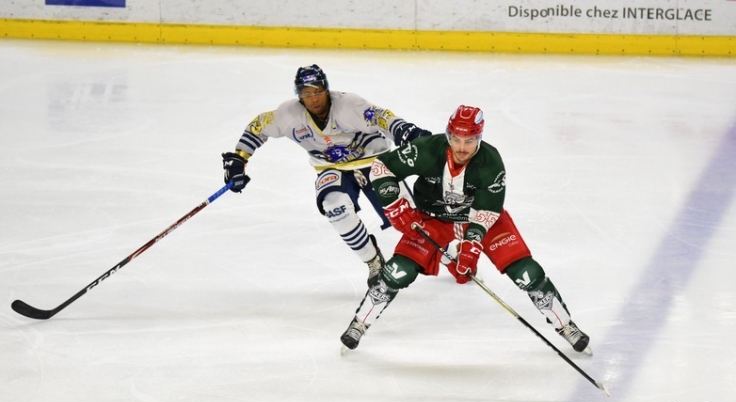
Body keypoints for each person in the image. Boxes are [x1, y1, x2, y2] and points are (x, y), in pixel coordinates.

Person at [340, 105, 591, 353]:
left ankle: (565, 325)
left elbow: (488, 210)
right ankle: (360, 323)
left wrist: (472, 244)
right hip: (434, 218)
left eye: (469, 141)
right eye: (456, 139)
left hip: (478, 217)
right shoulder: (427, 149)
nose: (461, 147)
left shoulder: (491, 162)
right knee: (397, 272)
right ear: (448, 135)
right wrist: (394, 204)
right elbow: (382, 167)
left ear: (479, 138)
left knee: (526, 272)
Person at [222, 64, 431, 286]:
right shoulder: (289, 115)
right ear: (299, 96)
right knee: (335, 209)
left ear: (327, 89)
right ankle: (373, 261)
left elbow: (381, 117)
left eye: (318, 91)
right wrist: (239, 158)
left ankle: (448, 253)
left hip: (373, 162)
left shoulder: (348, 105)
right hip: (330, 169)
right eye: (307, 93)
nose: (314, 98)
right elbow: (258, 126)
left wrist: (404, 130)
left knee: (410, 219)